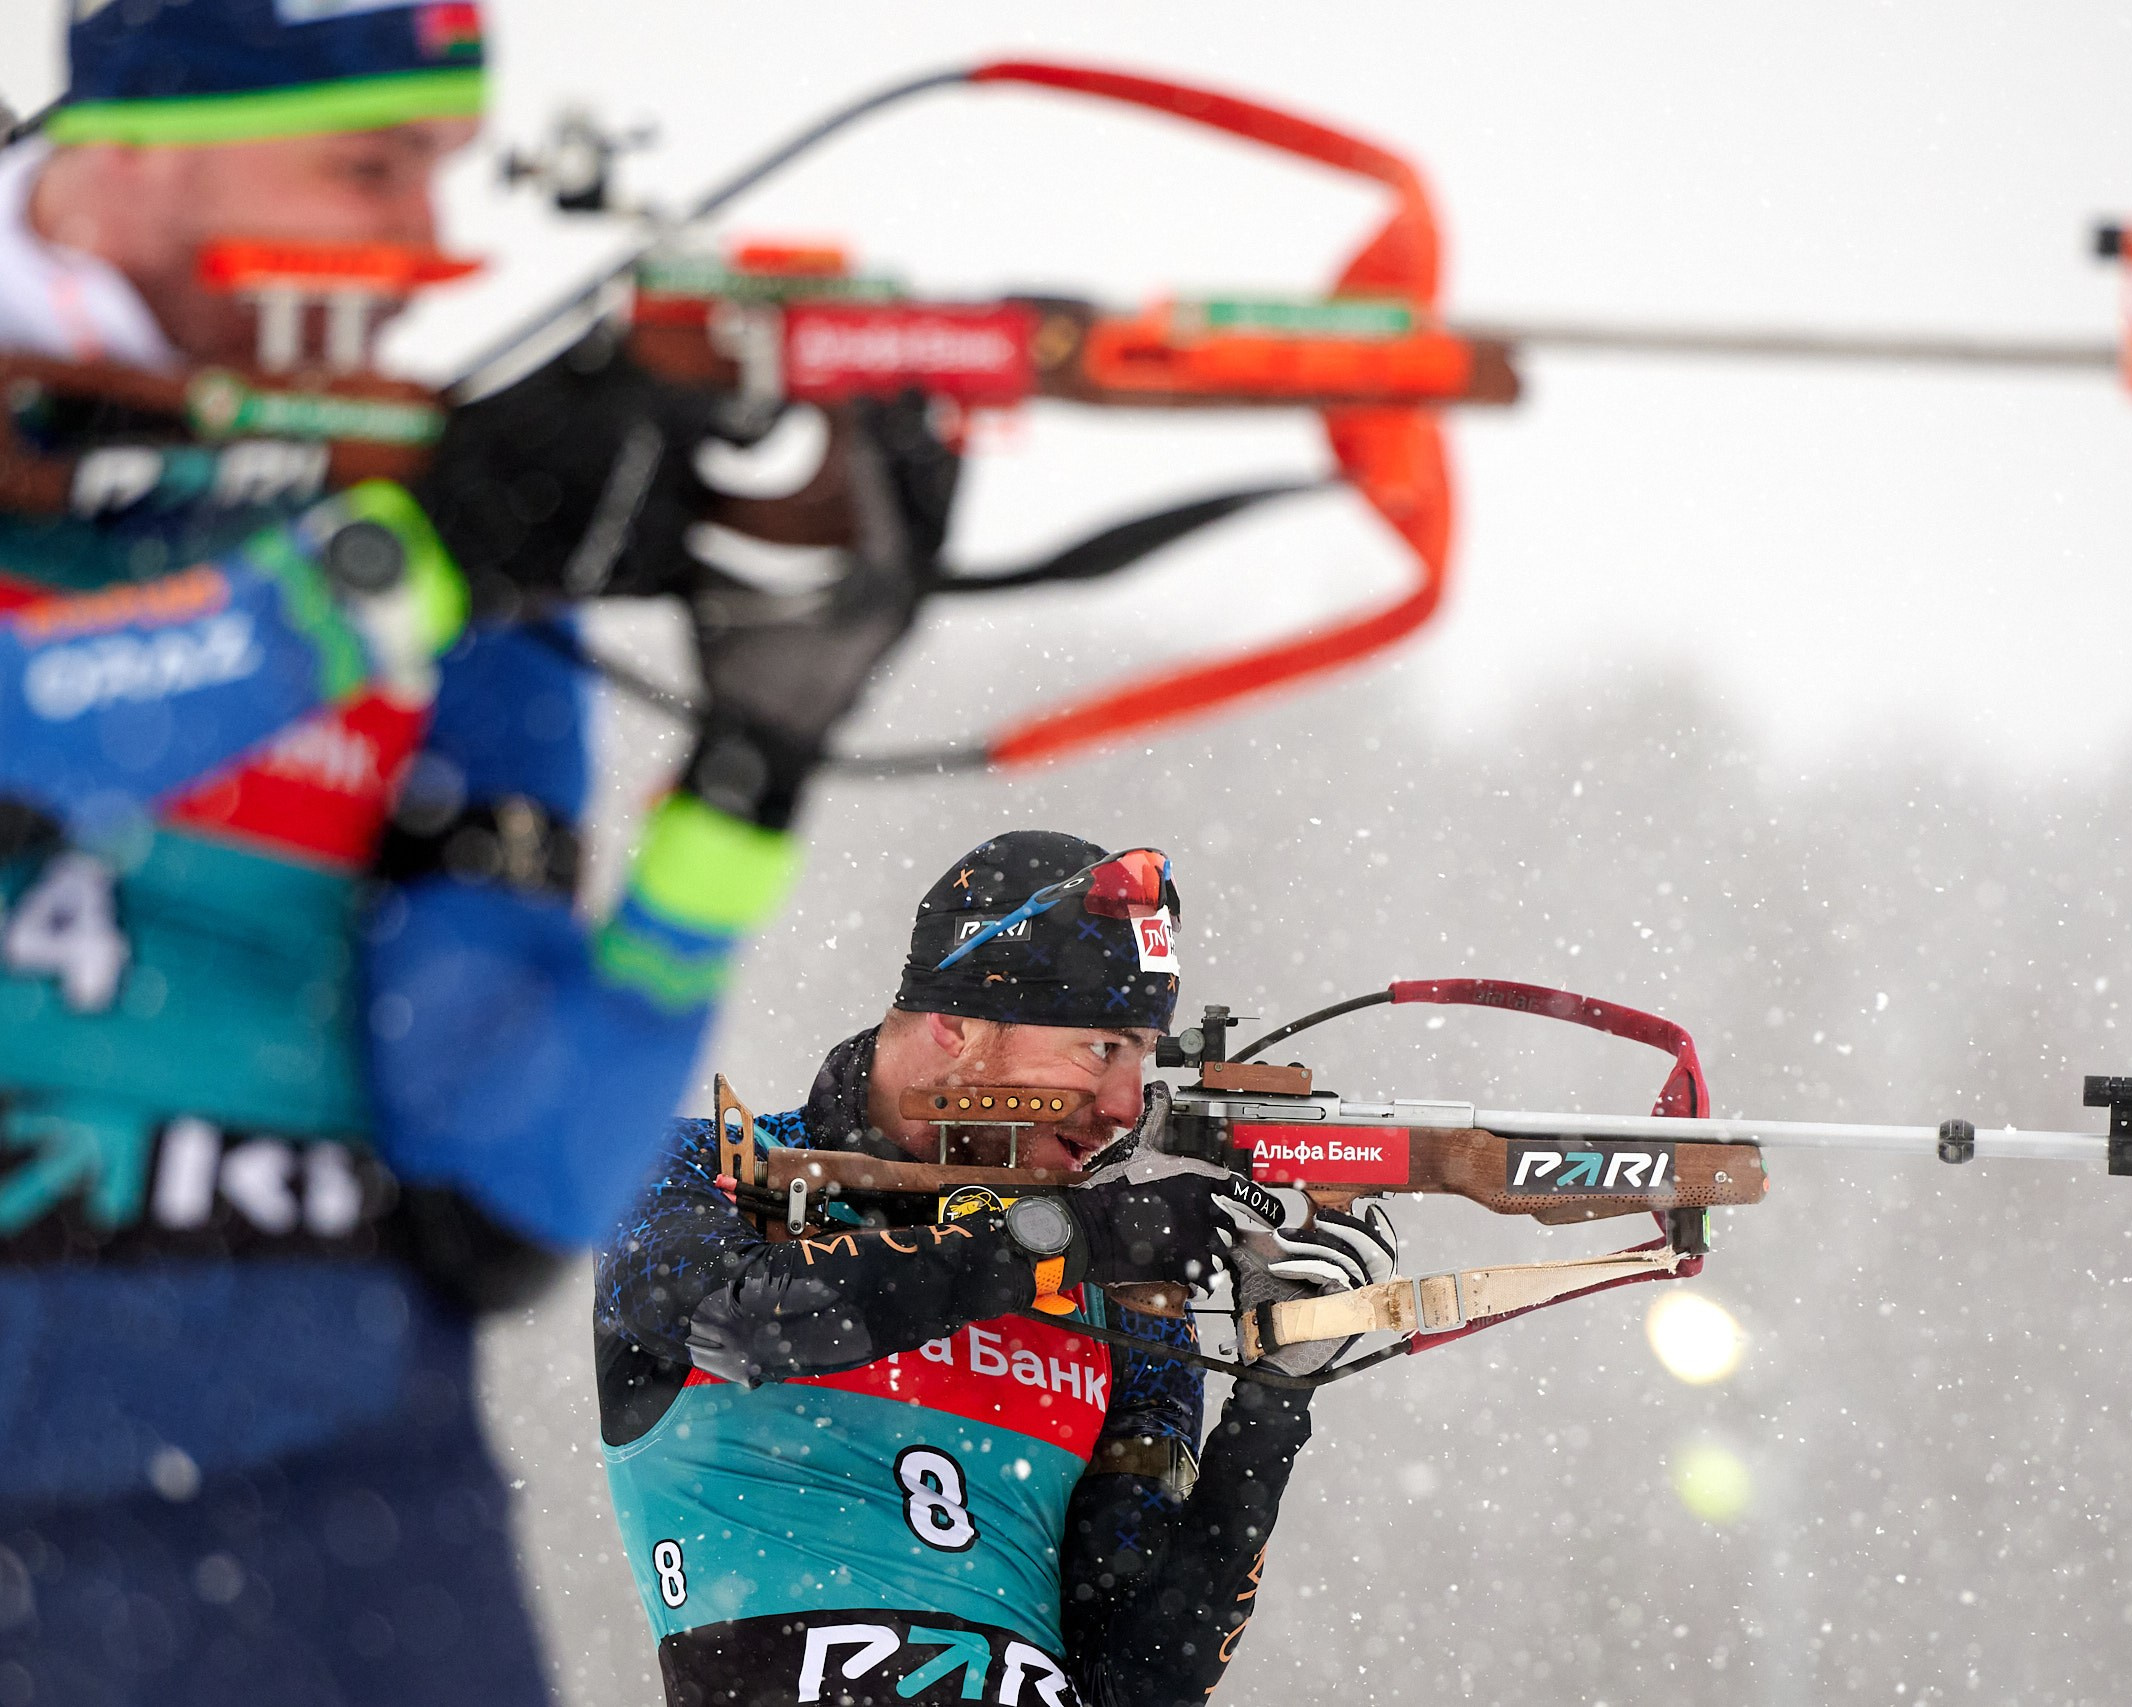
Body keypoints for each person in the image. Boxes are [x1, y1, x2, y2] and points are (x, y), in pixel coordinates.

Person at [0, 3, 933, 1702]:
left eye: (439, 172)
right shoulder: (413, 543)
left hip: (334, 1510)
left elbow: (508, 1181)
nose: (424, 245)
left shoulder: (433, 533)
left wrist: (748, 773)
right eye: (367, 166)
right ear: (113, 161)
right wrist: (400, 567)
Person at [595, 832, 1398, 1707]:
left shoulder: (1123, 1294)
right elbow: (745, 1316)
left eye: (1145, 1055)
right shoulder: (696, 1171)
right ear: (956, 1023)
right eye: (1101, 1049)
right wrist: (1060, 1240)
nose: (1128, 1107)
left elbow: (1138, 1678)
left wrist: (1274, 1395)